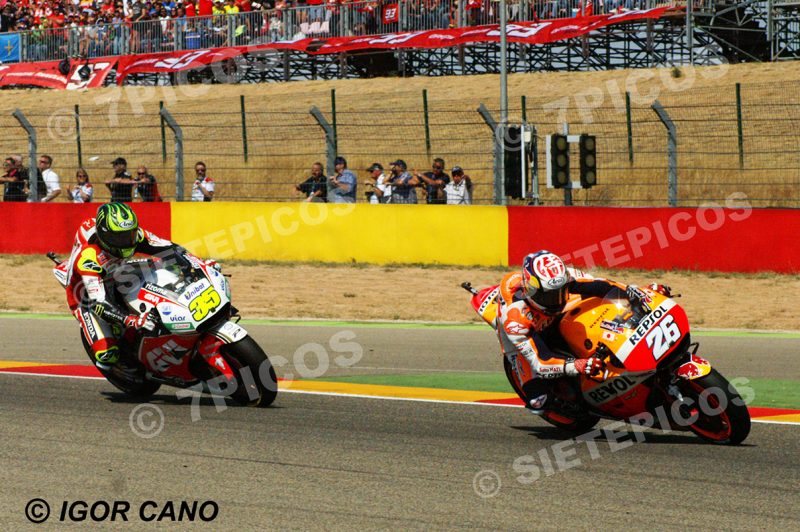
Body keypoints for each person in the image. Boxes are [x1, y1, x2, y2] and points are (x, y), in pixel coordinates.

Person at [496, 250, 651, 414]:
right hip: (527, 333)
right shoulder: (515, 320)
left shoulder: (566, 277)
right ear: (532, 291)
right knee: (538, 402)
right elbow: (540, 363)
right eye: (550, 296)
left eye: (560, 292)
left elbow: (602, 284)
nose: (557, 300)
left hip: (552, 316)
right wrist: (576, 365)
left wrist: (635, 293)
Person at [65, 202, 203, 370]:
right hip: (86, 298)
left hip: (119, 271)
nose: (126, 241)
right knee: (107, 355)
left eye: (129, 234)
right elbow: (99, 303)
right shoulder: (89, 260)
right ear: (104, 236)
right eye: (119, 237)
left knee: (163, 267)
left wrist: (195, 266)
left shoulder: (135, 235)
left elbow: (170, 248)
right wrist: (130, 320)